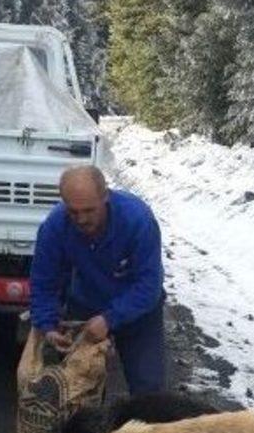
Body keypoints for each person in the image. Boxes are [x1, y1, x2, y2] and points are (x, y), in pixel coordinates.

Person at [30, 166, 166, 394]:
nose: (81, 219)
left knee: (149, 388)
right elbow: (44, 280)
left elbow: (149, 285)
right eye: (73, 212)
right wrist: (48, 325)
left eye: (89, 210)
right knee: (78, 389)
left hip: (138, 309)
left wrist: (110, 319)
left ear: (106, 197)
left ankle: (146, 428)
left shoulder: (138, 220)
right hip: (86, 306)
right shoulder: (55, 226)